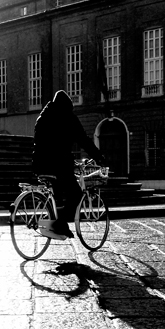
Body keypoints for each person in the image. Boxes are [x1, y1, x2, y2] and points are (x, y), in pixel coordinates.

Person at [32, 90, 105, 239]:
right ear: (67, 106)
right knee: (76, 193)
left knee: (58, 194)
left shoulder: (43, 116)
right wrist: (98, 156)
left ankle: (55, 223)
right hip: (58, 164)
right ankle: (60, 223)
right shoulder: (67, 117)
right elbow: (83, 139)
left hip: (39, 164)